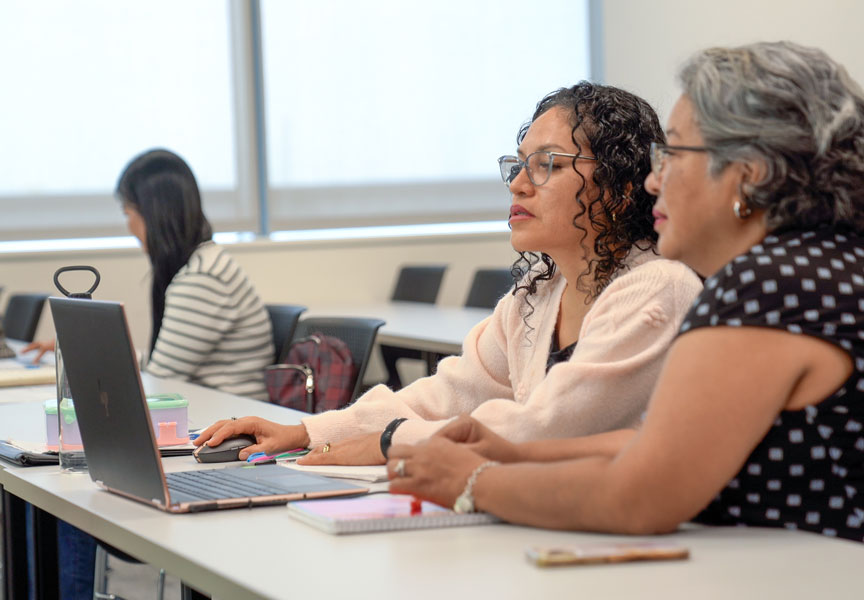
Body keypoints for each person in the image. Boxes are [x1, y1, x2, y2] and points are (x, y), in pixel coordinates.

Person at [386, 41, 864, 552]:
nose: (653, 181)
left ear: (749, 175)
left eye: (673, 153)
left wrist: (472, 482)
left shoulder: (770, 289)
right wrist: (512, 455)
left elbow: (639, 498)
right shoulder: (836, 266)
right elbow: (664, 445)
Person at [195, 82, 702, 464]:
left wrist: (392, 442)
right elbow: (447, 395)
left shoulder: (659, 287)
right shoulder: (538, 294)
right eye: (517, 165)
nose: (518, 185)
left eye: (546, 164)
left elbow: (544, 430)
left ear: (617, 186)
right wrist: (310, 432)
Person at [24, 149, 275, 400]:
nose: (128, 225)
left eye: (128, 214)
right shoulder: (204, 265)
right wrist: (84, 352)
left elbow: (160, 380)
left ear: (153, 214)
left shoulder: (202, 280)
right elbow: (161, 365)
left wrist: (90, 361)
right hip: (216, 413)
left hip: (230, 422)